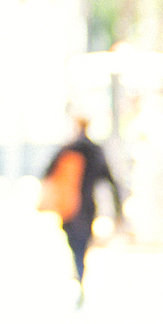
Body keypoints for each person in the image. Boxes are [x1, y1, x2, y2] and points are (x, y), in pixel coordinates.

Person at [40, 113, 122, 291]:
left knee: (74, 242)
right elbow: (111, 182)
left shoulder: (68, 149)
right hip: (88, 206)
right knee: (83, 241)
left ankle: (79, 271)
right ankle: (80, 270)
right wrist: (118, 211)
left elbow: (47, 173)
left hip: (70, 206)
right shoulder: (95, 151)